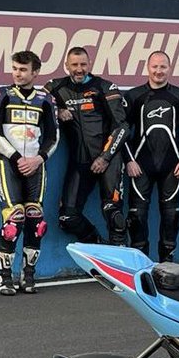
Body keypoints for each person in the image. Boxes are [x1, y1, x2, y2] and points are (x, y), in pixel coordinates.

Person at [0, 50, 58, 295]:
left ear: (35, 72)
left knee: (35, 220)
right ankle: (4, 277)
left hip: (36, 165)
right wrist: (15, 157)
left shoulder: (46, 99)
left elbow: (53, 136)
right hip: (8, 163)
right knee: (14, 220)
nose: (18, 73)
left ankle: (29, 276)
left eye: (23, 69)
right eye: (15, 68)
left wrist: (38, 159)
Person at [48, 46, 129, 246]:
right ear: (66, 65)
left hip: (108, 159)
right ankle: (98, 246)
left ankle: (120, 255)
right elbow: (37, 103)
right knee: (67, 218)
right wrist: (56, 110)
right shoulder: (55, 87)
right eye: (74, 64)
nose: (79, 69)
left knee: (114, 213)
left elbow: (122, 127)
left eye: (83, 64)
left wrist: (105, 157)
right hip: (80, 162)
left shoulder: (105, 87)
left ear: (89, 64)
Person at [123, 51, 179, 262]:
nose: (158, 71)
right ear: (148, 67)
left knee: (172, 216)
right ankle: (141, 263)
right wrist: (129, 160)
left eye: (163, 67)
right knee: (136, 216)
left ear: (169, 68)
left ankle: (167, 264)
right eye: (155, 66)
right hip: (140, 166)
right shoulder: (133, 96)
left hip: (172, 167)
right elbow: (122, 131)